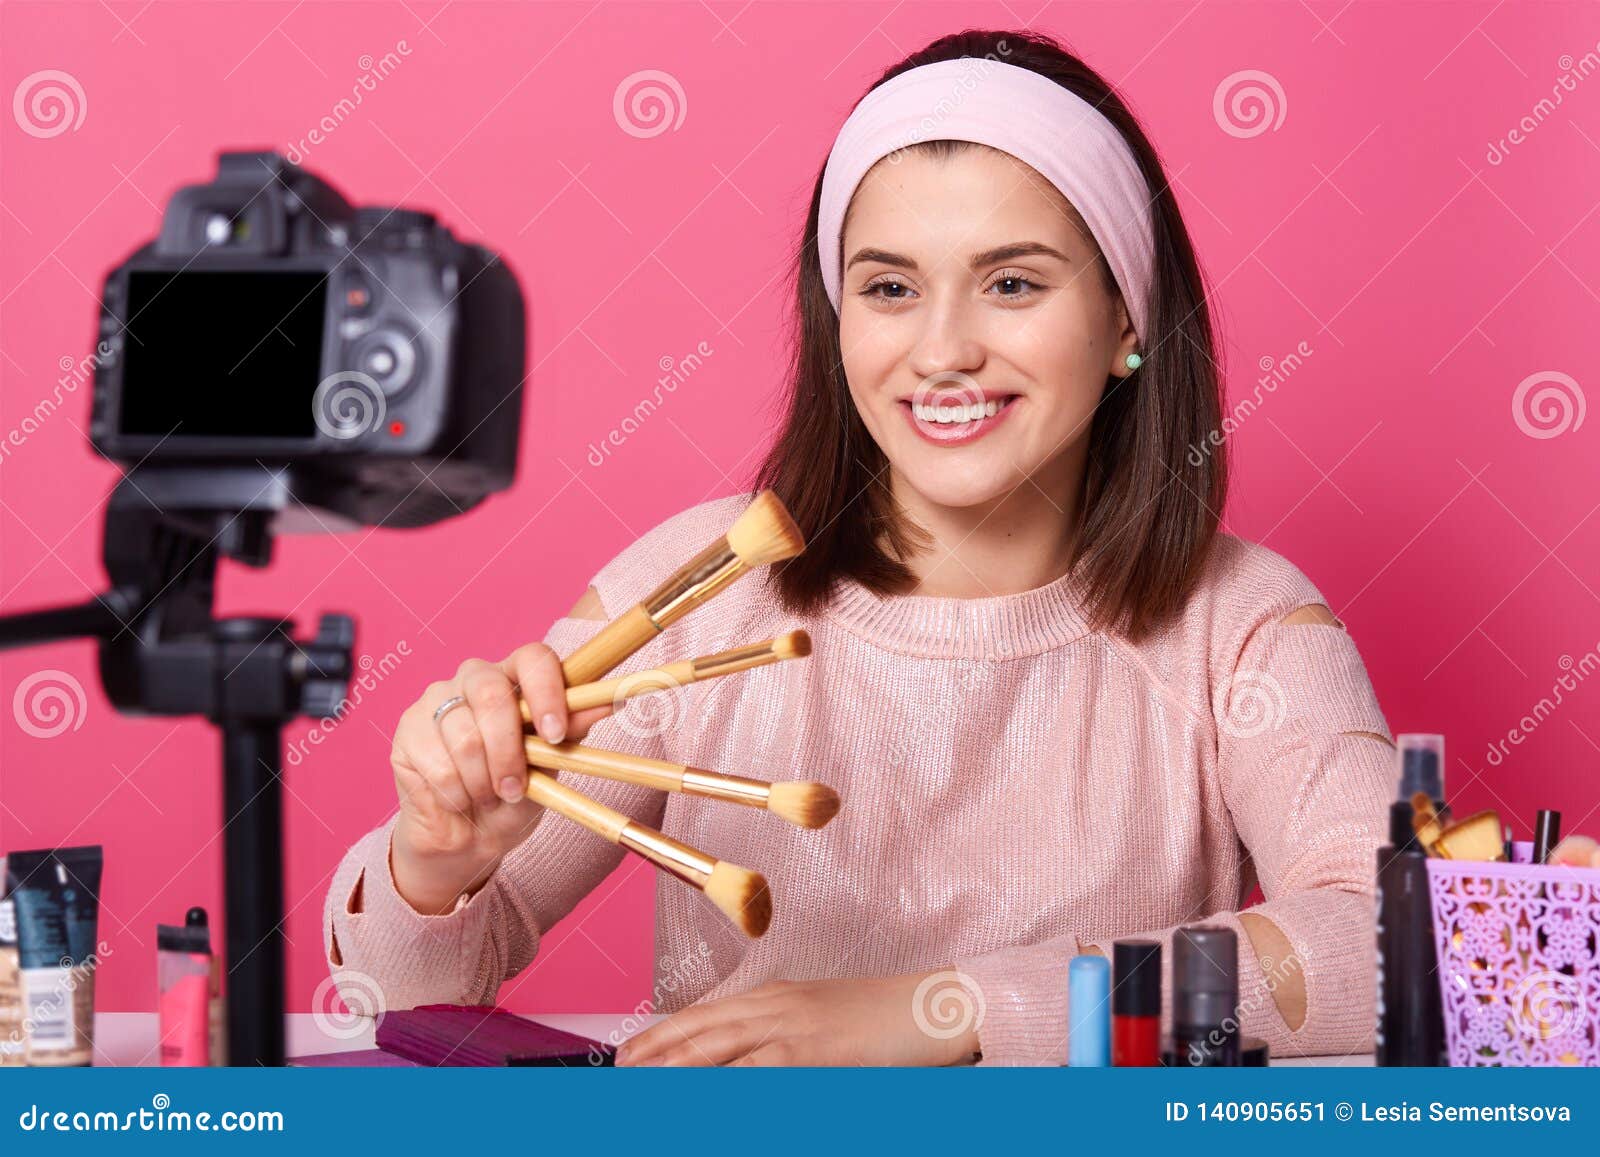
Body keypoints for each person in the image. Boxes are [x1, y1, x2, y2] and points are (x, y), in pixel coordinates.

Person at [323, 28, 1393, 1066]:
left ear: (1127, 318)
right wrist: (436, 860)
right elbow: (393, 1005)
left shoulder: (1243, 620)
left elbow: (1398, 945)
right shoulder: (701, 586)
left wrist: (942, 1008)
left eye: (1012, 282)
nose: (941, 349)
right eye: (888, 288)